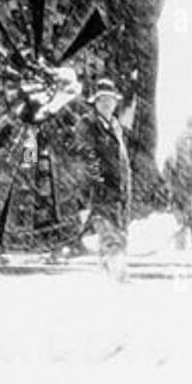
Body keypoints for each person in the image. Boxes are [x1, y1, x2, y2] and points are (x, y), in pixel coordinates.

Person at [75, 78, 132, 282]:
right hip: (99, 191)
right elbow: (85, 156)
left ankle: (108, 274)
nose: (107, 103)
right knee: (109, 233)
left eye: (110, 100)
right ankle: (117, 273)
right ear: (95, 102)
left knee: (118, 233)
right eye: (102, 100)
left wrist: (125, 189)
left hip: (118, 192)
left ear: (115, 103)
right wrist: (97, 184)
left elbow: (122, 162)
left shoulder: (116, 126)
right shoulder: (88, 124)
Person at [169, 117, 192, 248]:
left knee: (185, 218)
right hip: (185, 186)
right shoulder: (186, 140)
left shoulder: (189, 141)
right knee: (186, 218)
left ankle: (185, 245)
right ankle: (184, 247)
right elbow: (187, 162)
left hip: (185, 186)